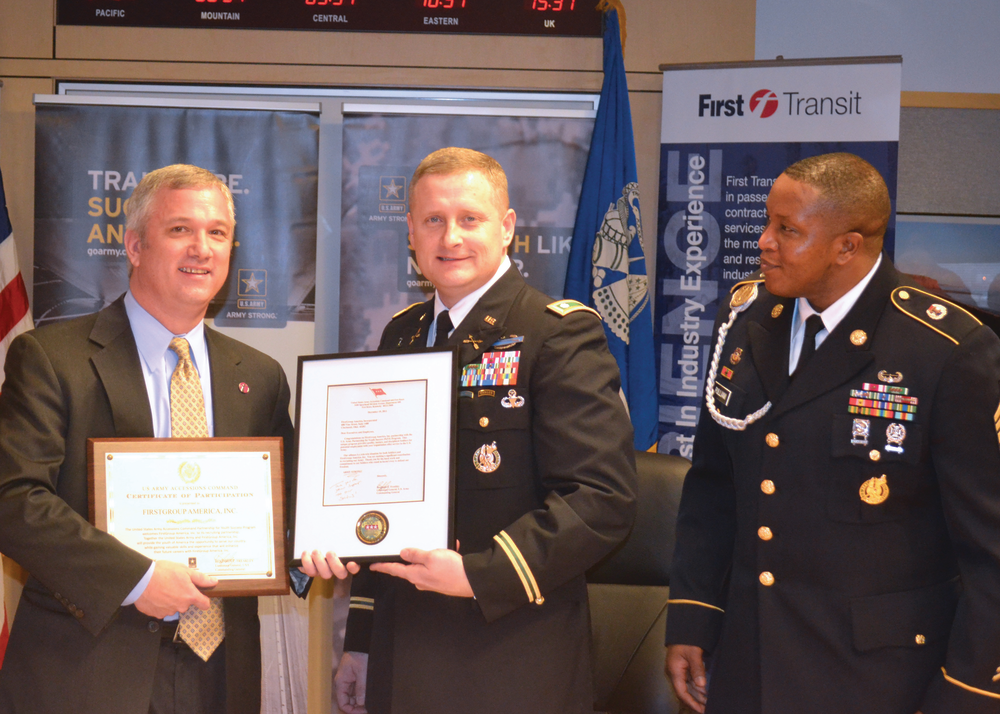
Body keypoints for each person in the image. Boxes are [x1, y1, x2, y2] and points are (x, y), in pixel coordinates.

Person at [0, 164, 352, 714]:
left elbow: (280, 516)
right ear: (135, 245)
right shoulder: (51, 358)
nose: (202, 248)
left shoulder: (259, 376)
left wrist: (310, 548)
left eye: (217, 233)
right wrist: (138, 579)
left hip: (222, 673)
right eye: (180, 229)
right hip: (88, 667)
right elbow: (14, 500)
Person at [302, 147, 637, 713]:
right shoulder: (403, 334)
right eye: (433, 220)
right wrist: (358, 641)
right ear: (410, 232)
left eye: (470, 219)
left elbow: (602, 501)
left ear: (506, 228)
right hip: (402, 645)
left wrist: (481, 575)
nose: (450, 237)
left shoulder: (556, 334)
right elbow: (380, 496)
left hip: (510, 651)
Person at [664, 152, 1000, 714]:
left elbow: (990, 552)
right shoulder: (747, 318)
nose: (764, 242)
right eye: (768, 223)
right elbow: (714, 486)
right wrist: (695, 615)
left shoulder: (946, 351)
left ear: (848, 246)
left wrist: (966, 693)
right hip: (748, 663)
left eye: (787, 230)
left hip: (878, 678)